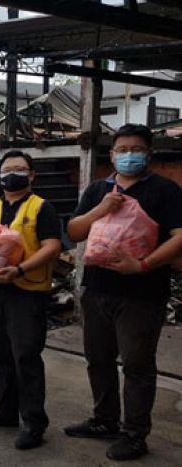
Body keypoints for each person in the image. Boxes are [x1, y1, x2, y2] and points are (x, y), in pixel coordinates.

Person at [64, 124, 182, 461]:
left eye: (136, 149)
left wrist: (142, 265)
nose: (129, 155)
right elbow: (74, 231)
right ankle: (104, 421)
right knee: (98, 360)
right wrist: (100, 209)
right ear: (112, 155)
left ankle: (134, 434)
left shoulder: (165, 190)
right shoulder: (98, 189)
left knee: (136, 365)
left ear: (148, 154)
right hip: (97, 289)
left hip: (142, 294)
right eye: (122, 150)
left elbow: (179, 236)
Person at [0, 151, 62, 451]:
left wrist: (20, 268)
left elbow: (52, 246)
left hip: (26, 292)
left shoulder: (41, 208)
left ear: (31, 175)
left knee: (26, 357)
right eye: (7, 169)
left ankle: (34, 423)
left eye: (20, 169)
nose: (12, 174)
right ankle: (6, 412)